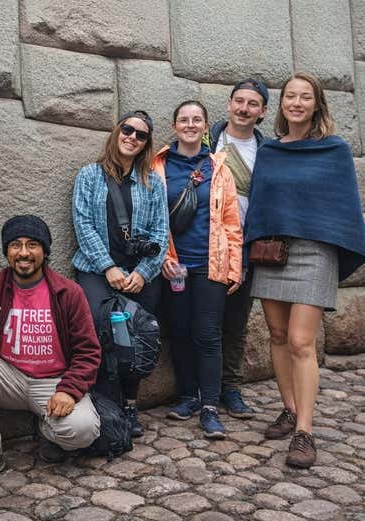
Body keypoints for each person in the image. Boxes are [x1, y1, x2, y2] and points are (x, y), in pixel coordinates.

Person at [245, 72, 365, 468]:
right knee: (278, 336)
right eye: (290, 97)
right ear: (281, 105)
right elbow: (261, 203)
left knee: (300, 342)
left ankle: (305, 433)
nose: (296, 102)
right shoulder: (271, 150)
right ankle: (289, 408)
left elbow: (344, 207)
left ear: (317, 104)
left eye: (305, 97)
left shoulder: (334, 149)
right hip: (272, 251)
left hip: (315, 252)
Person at [0, 215, 101, 486]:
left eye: (32, 245)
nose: (23, 253)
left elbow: (88, 352)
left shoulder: (69, 292)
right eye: (15, 245)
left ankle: (46, 430)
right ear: (6, 251)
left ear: (45, 251)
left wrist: (69, 389)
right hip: (10, 377)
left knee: (83, 431)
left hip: (54, 382)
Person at [72, 110, 169, 437]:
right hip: (97, 272)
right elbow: (83, 225)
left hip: (140, 275)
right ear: (116, 132)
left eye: (141, 135)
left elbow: (160, 232)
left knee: (136, 338)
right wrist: (108, 267)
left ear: (146, 144)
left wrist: (143, 271)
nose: (132, 137)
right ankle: (103, 403)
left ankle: (130, 404)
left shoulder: (153, 182)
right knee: (101, 334)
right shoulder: (89, 175)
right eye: (127, 130)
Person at [152, 100, 242, 439]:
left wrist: (235, 265)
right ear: (174, 126)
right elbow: (149, 217)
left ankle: (209, 407)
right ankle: (188, 396)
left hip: (210, 264)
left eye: (197, 120)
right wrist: (160, 258)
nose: (190, 125)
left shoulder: (219, 168)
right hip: (173, 265)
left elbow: (232, 222)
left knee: (207, 334)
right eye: (184, 120)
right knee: (178, 331)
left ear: (206, 128)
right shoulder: (157, 166)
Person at [208, 79, 269, 418]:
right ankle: (201, 388)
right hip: (206, 244)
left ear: (262, 111)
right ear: (229, 103)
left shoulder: (268, 152)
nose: (244, 109)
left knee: (236, 322)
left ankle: (231, 388)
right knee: (203, 321)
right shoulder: (206, 139)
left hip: (247, 245)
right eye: (239, 101)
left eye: (253, 104)